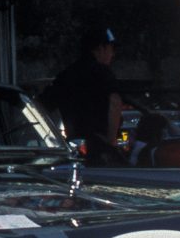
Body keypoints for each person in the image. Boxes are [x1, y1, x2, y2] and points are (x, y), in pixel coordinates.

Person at [43, 28, 127, 158]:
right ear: (100, 48)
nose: (113, 54)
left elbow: (42, 105)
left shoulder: (67, 75)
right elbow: (114, 102)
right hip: (100, 147)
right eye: (111, 49)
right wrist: (111, 143)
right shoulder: (103, 74)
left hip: (74, 148)